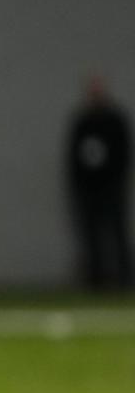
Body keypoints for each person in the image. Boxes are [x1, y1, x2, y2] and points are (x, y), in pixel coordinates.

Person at [66, 74, 132, 289]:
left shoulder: (115, 120)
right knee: (91, 234)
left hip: (111, 187)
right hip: (89, 189)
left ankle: (124, 278)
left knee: (117, 232)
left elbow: (124, 152)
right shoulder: (82, 121)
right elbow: (73, 157)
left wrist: (116, 179)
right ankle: (96, 280)